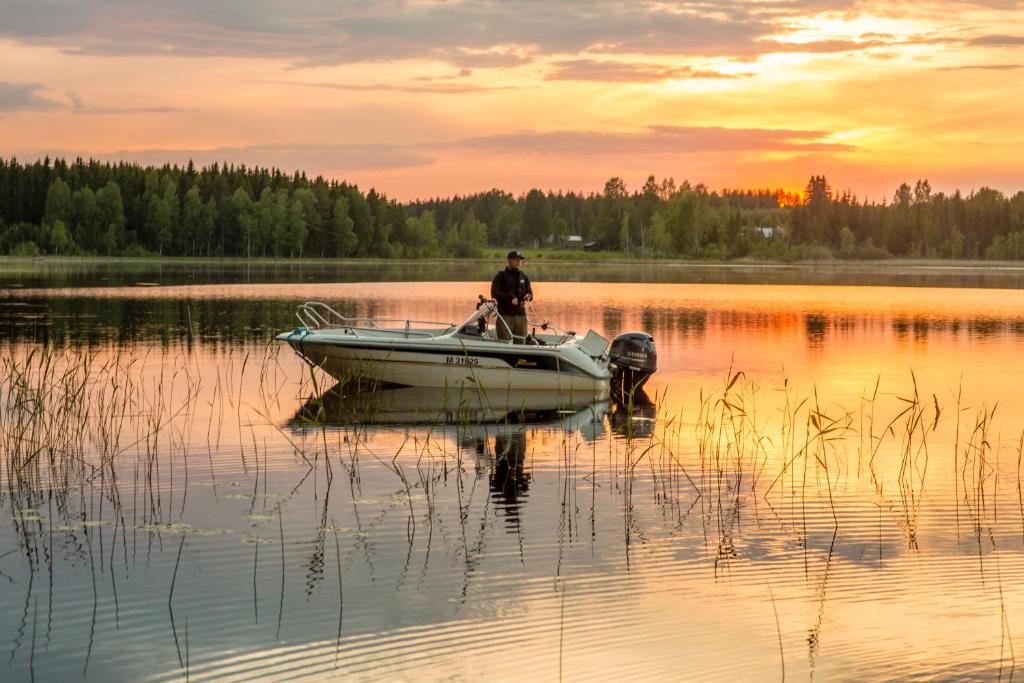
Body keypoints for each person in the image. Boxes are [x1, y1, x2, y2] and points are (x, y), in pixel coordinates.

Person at [490, 250, 533, 343]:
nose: (518, 262)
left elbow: (530, 294)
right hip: (505, 316)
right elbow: (494, 293)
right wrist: (510, 297)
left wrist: (528, 296)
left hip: (521, 316)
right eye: (516, 260)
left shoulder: (524, 277)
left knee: (521, 344)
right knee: (504, 343)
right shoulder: (500, 276)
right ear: (509, 261)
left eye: (520, 260)